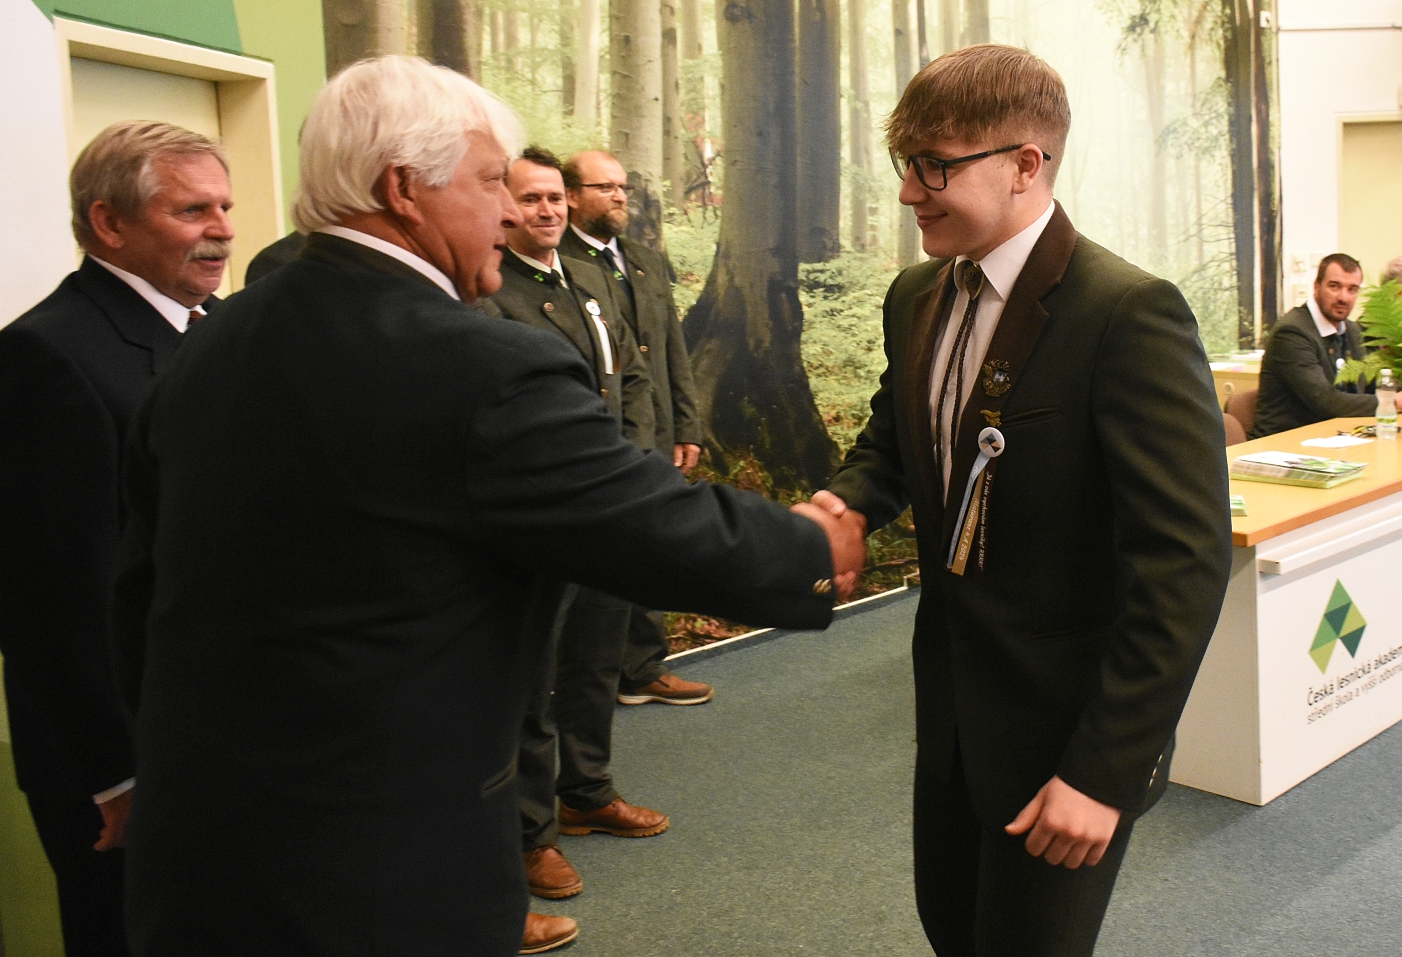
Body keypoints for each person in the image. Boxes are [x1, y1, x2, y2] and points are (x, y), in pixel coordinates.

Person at [112, 56, 863, 957]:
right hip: (378, 871)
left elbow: (139, 590)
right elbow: (643, 523)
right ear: (403, 189)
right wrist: (809, 547)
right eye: (488, 182)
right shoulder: (478, 365)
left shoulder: (210, 341)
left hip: (199, 847)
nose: (509, 211)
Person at [807, 44, 1233, 957]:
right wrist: (842, 507)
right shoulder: (917, 296)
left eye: (935, 167)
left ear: (1025, 165)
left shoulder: (1127, 313)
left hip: (1065, 742)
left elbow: (1184, 567)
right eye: (905, 163)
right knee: (952, 931)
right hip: (953, 721)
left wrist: (1105, 773)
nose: (909, 192)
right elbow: (897, 442)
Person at [0, 121, 231, 957]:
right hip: (126, 762)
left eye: (225, 207)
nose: (223, 229)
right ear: (109, 223)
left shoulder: (223, 329)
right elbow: (53, 596)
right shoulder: (45, 356)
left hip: (222, 735)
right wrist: (116, 774)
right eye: (193, 210)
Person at [487, 148, 667, 913]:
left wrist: (628, 469)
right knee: (533, 684)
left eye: (555, 198)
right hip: (542, 520)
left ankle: (588, 792)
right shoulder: (492, 292)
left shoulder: (589, 278)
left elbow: (630, 375)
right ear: (505, 209)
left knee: (595, 658)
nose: (547, 211)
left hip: (606, 507)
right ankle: (533, 835)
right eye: (530, 199)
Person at [559, 150, 715, 710]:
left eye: (622, 187)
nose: (619, 197)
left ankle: (643, 668)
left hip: (658, 428)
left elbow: (672, 349)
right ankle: (583, 675)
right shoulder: (559, 262)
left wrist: (688, 425)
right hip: (601, 434)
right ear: (572, 196)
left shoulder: (644, 260)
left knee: (651, 546)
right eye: (604, 187)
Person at [1252, 254, 1402, 439]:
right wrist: (1396, 400)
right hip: (1284, 444)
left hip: (1336, 437)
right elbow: (1326, 402)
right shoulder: (1292, 333)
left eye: (1352, 289)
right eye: (1334, 286)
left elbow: (1371, 382)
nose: (1343, 297)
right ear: (1316, 286)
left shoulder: (1351, 330)